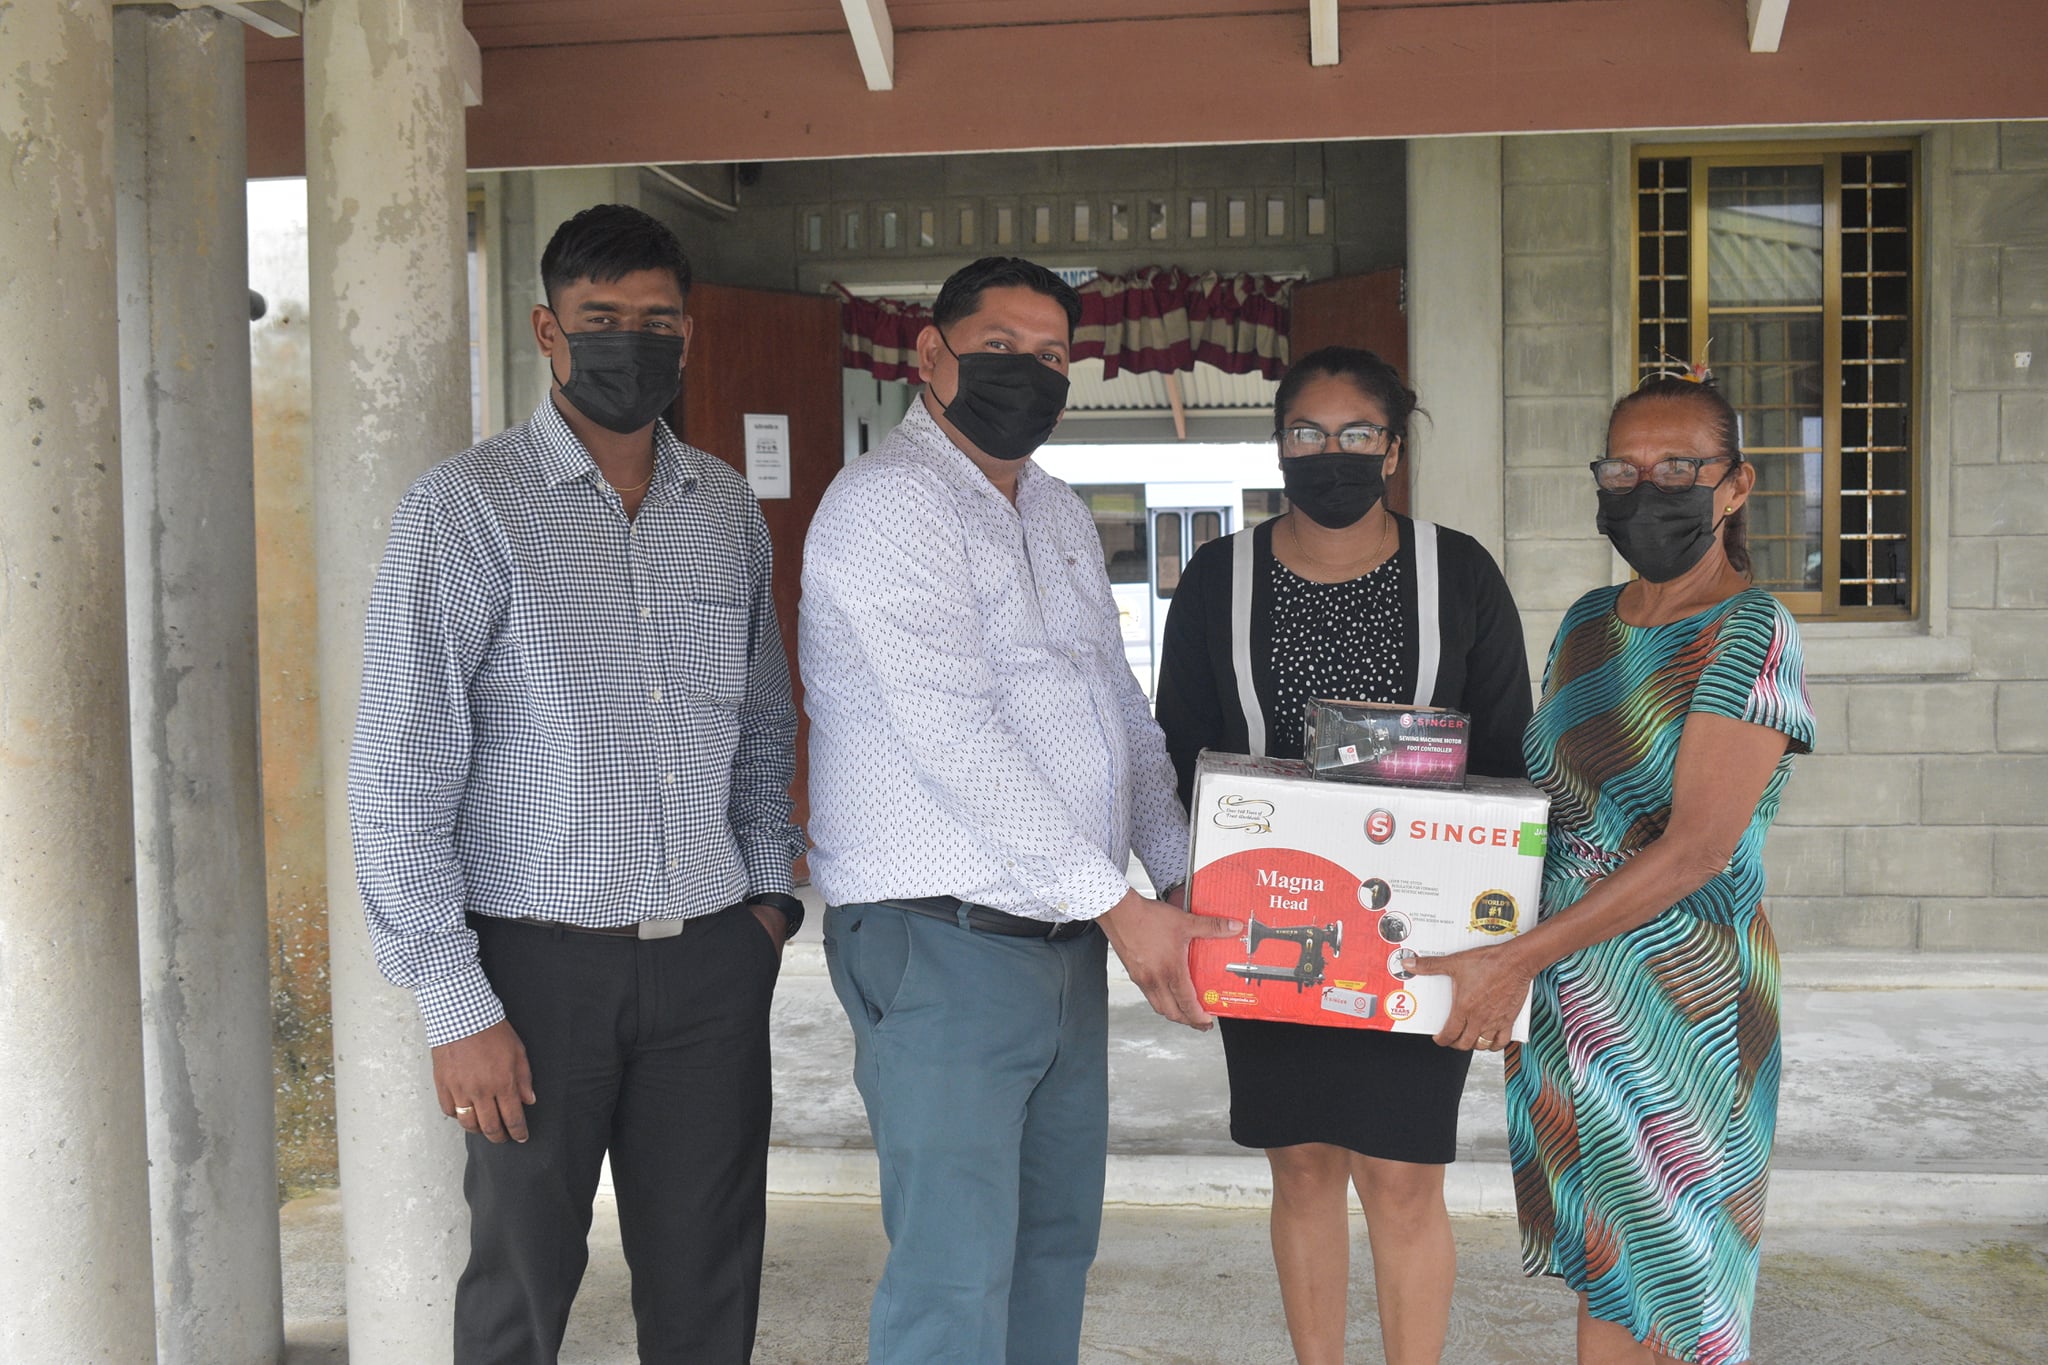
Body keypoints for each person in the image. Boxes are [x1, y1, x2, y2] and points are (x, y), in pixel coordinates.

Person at [348, 203, 805, 1364]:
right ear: (548, 333)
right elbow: (402, 768)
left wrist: (764, 906)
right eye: (602, 320)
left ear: (688, 339)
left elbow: (759, 724)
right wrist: (457, 1003)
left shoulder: (723, 516)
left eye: (657, 321)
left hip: (709, 964)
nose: (631, 343)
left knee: (709, 1282)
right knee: (520, 1282)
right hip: (532, 973)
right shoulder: (463, 510)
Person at [798, 255, 1241, 1365]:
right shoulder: (886, 504)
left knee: (1052, 1248)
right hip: (938, 936)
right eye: (998, 347)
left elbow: (1117, 711)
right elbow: (952, 735)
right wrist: (1122, 907)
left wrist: (1181, 869)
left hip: (1057, 940)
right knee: (952, 1273)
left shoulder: (1049, 505)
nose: (1026, 373)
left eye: (1050, 356)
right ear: (929, 353)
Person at [1413, 374, 1814, 1365]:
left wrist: (1512, 960)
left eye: (1677, 467)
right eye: (1622, 469)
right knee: (1607, 1270)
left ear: (1732, 488)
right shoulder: (1589, 622)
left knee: (1673, 1288)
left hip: (1679, 1004)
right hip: (1565, 995)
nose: (1646, 489)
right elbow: (1546, 801)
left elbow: (1693, 852)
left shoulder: (1750, 633)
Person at [1153, 345, 1533, 1365]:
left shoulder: (1457, 575)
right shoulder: (1216, 579)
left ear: (1392, 451)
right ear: (1279, 447)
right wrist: (1179, 898)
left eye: (1355, 435)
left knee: (1403, 1178)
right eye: (1306, 435)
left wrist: (1501, 943)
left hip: (1415, 929)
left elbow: (1504, 756)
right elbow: (1176, 749)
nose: (1330, 454)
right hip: (1270, 919)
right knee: (1302, 1169)